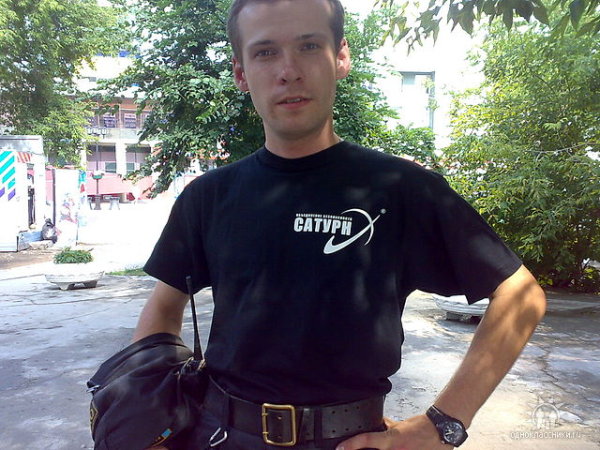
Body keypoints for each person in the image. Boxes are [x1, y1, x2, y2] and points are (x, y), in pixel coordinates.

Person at [135, 0, 547, 448]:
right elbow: (162, 310)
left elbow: (521, 295)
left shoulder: (400, 189)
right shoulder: (209, 196)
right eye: (265, 52)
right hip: (220, 435)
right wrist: (149, 417)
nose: (289, 71)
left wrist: (442, 425)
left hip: (348, 440)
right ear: (241, 72)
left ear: (341, 57)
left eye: (309, 46)